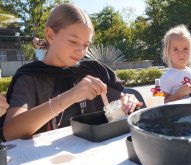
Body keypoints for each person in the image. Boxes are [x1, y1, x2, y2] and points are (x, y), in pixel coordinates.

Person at [0, 3, 141, 142]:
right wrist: (70, 96)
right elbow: (11, 132)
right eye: (73, 42)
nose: (80, 51)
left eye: (86, 45)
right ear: (50, 35)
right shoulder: (30, 77)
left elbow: (122, 100)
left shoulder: (94, 70)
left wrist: (129, 101)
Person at [160, 25, 191, 103]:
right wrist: (179, 94)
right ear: (168, 51)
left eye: (185, 49)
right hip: (178, 114)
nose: (181, 54)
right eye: (175, 49)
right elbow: (160, 103)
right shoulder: (167, 77)